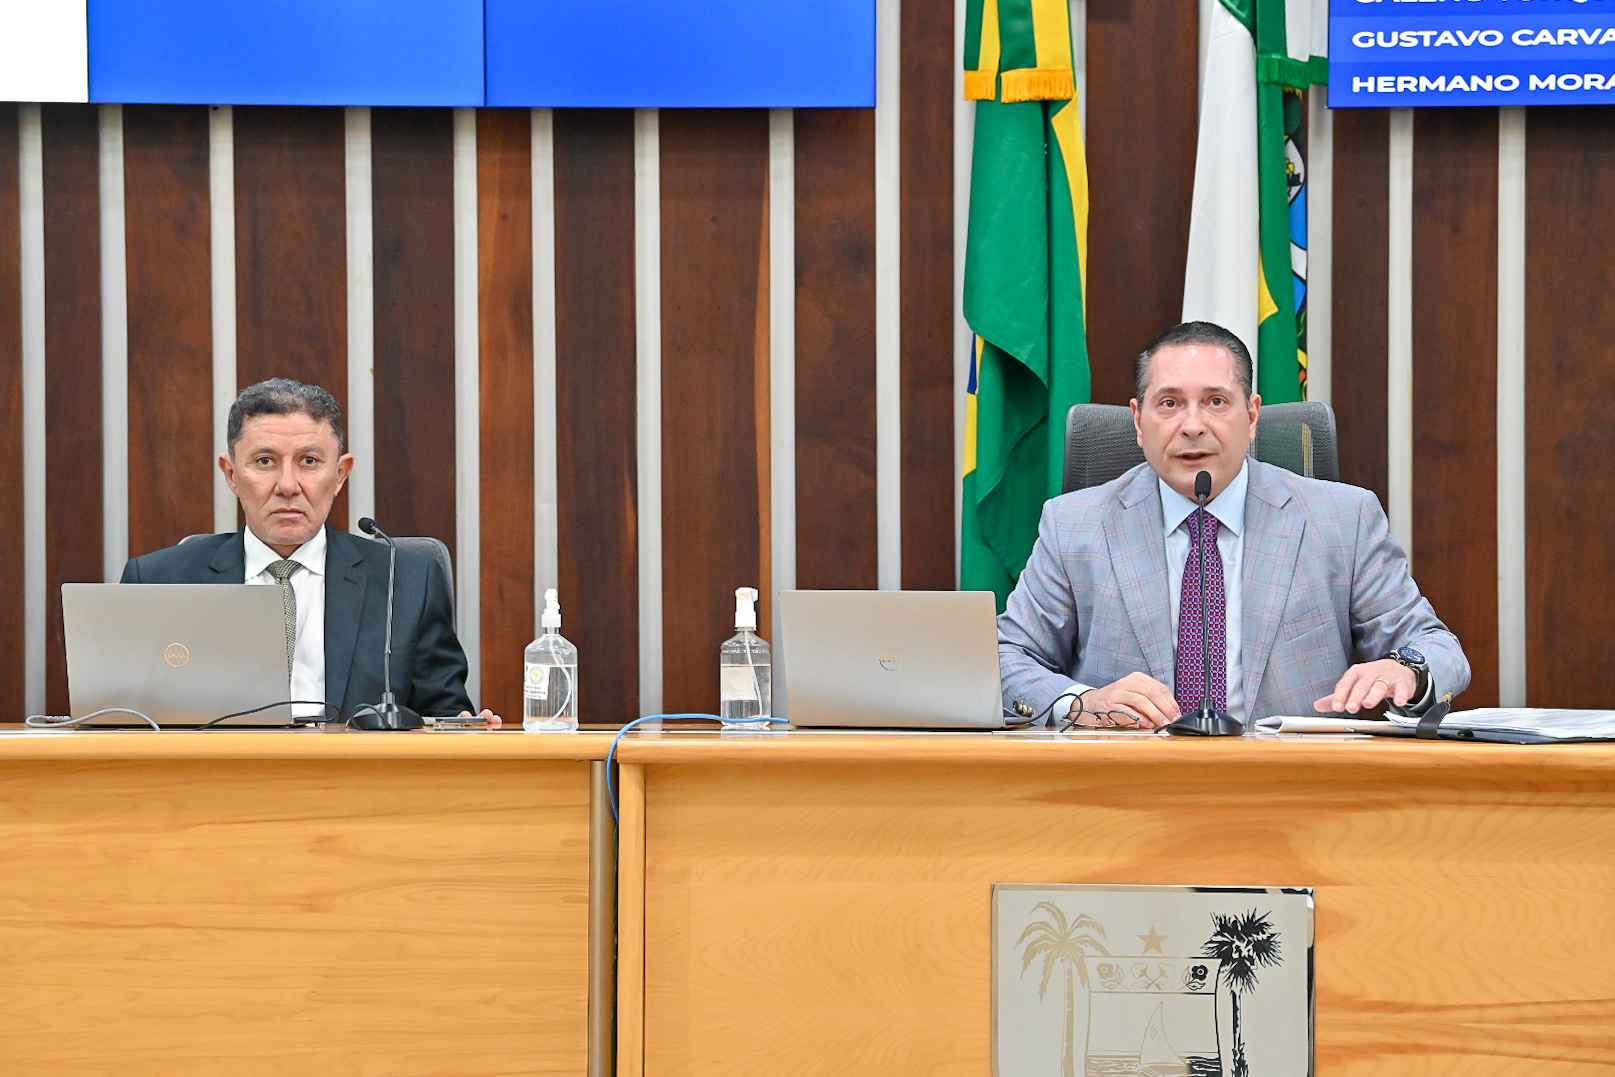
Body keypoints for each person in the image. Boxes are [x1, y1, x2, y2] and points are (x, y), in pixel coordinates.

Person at [998, 321, 1470, 729]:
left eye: (1216, 401)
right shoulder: (1074, 525)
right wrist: (1080, 703)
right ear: (1139, 421)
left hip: (1293, 785)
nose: (1192, 425)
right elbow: (1005, 658)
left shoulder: (1344, 520)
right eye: (1169, 403)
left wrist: (1405, 670)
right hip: (1131, 785)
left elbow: (1437, 648)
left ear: (1252, 415)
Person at [121, 378, 498, 725]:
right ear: (232, 474)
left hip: (355, 773)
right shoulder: (158, 581)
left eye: (309, 461)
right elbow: (124, 719)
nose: (287, 485)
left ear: (340, 475)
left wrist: (466, 725)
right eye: (265, 461)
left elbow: (443, 716)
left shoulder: (407, 582)